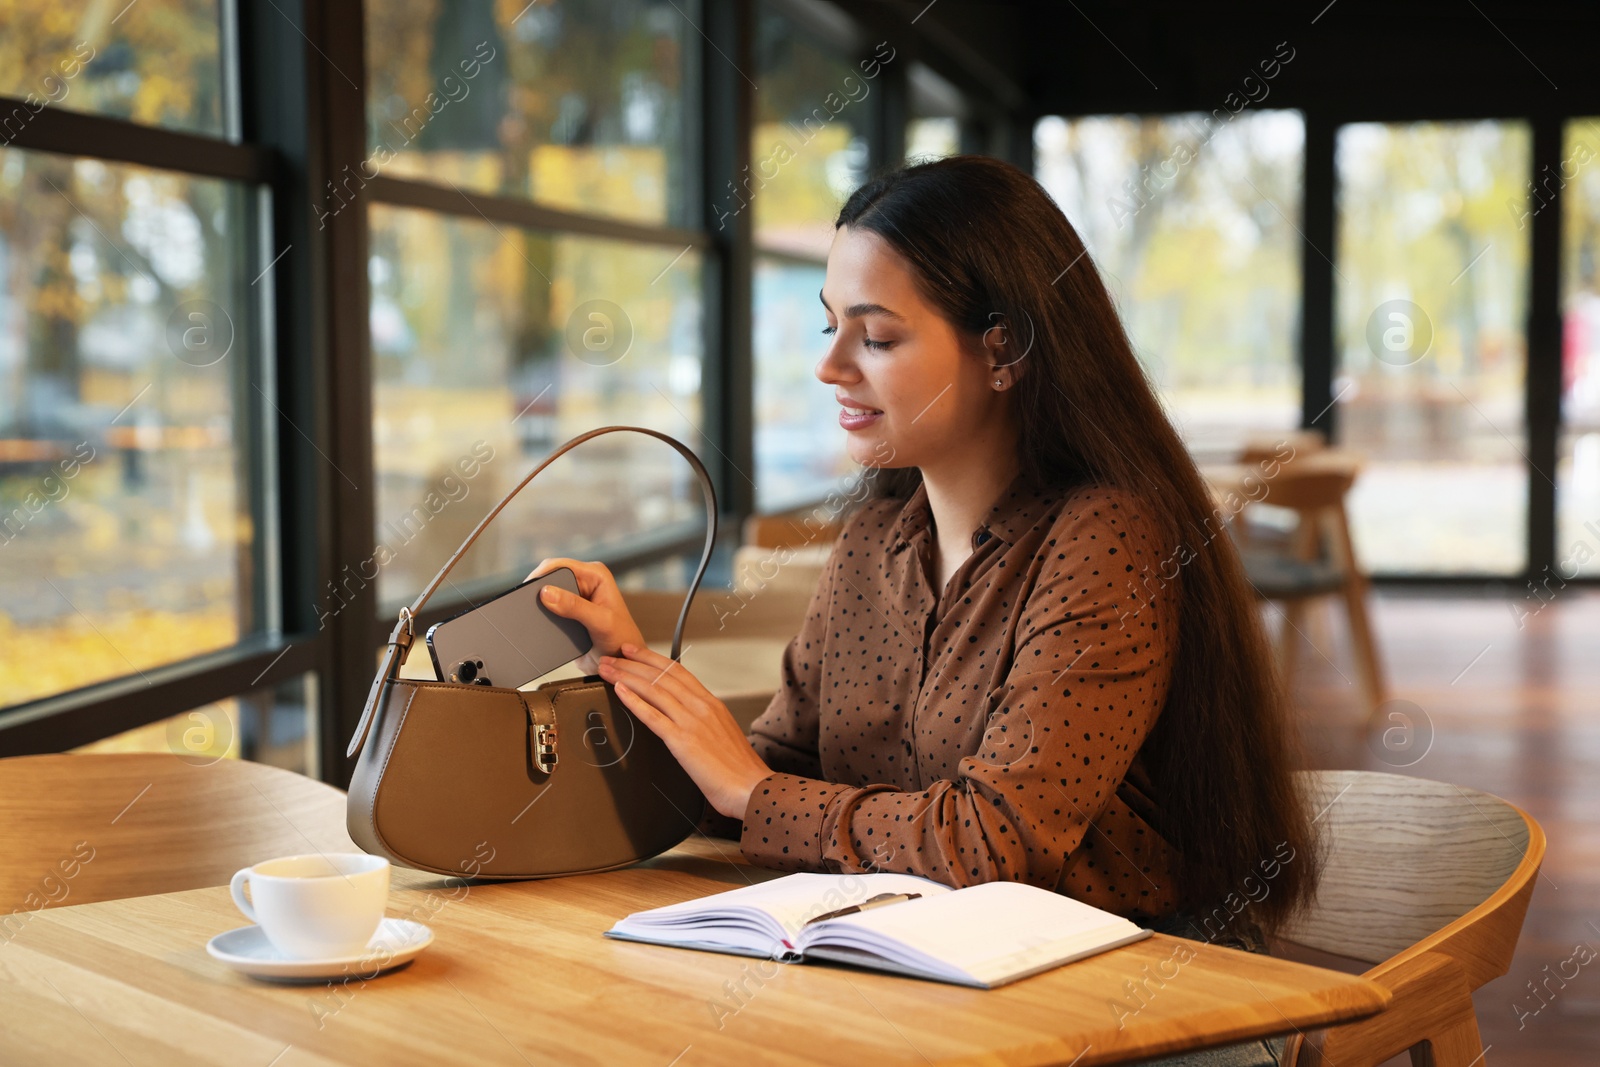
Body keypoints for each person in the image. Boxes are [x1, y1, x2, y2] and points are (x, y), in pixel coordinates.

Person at [528, 155, 1319, 1066]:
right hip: (930, 985)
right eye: (830, 328)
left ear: (1004, 350)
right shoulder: (871, 544)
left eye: (876, 337)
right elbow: (770, 772)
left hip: (1142, 1002)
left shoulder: (1108, 540)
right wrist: (633, 676)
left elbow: (993, 843)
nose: (828, 367)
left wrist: (753, 791)